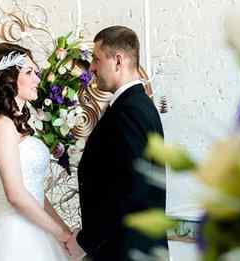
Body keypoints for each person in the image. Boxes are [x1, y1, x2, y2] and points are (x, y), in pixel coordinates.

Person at [0, 42, 71, 261]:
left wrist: (64, 230)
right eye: (29, 72)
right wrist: (64, 236)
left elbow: (35, 193)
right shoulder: (1, 124)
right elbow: (16, 195)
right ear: (8, 79)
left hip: (35, 228)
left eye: (35, 72)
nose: (37, 79)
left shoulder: (14, 123)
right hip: (13, 236)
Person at [66, 25, 168, 261]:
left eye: (96, 59)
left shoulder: (130, 111)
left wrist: (85, 242)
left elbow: (128, 189)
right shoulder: (135, 106)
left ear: (118, 61)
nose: (91, 67)